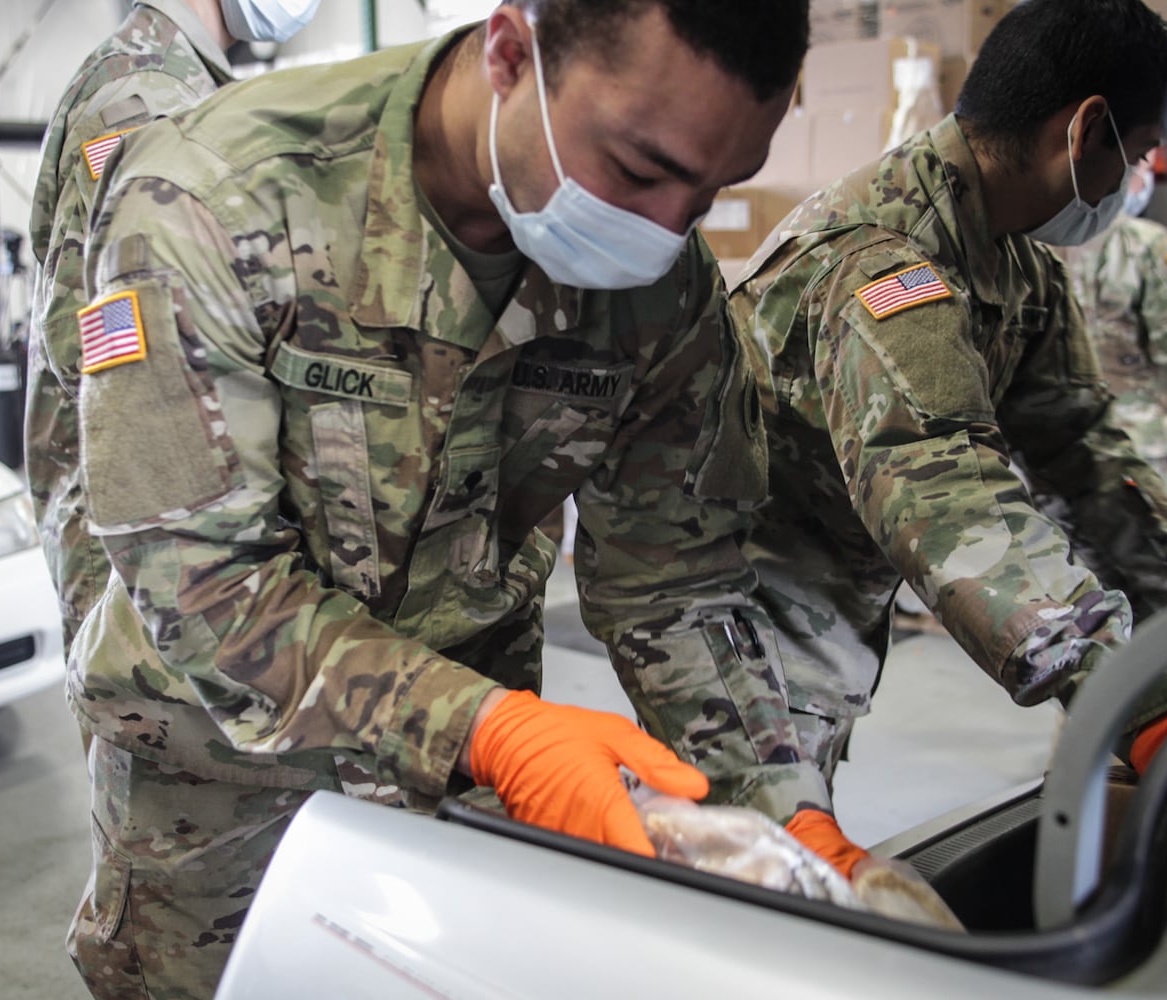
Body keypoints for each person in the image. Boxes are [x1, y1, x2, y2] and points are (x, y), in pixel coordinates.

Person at [68, 2, 813, 996]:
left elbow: (672, 580)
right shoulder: (217, 194)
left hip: (463, 789)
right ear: (509, 53)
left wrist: (782, 804)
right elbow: (204, 584)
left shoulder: (662, 292)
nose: (668, 227)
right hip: (219, 785)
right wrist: (488, 728)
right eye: (640, 169)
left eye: (714, 191)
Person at [727, 0, 1167, 827]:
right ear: (1087, 128)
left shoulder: (1018, 257)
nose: (1133, 183)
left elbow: (1084, 455)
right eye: (1140, 155)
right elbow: (947, 499)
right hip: (750, 599)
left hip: (845, 574)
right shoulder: (885, 260)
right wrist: (1137, 701)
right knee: (750, 854)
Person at [24, 0, 321, 666]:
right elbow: (116, 352)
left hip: (173, 541)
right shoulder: (147, 95)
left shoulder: (184, 84)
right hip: (153, 551)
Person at [1059, 159, 1167, 497]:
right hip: (1134, 435)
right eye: (1142, 170)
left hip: (1053, 438)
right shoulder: (1144, 243)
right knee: (1146, 544)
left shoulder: (1033, 238)